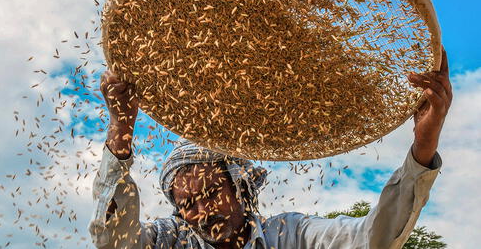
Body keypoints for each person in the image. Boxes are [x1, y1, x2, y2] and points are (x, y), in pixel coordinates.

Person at [88, 48, 453, 249]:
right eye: (186, 204)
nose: (201, 211)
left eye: (211, 192)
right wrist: (121, 127)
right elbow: (112, 241)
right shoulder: (170, 241)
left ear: (240, 186)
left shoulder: (288, 237)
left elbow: (370, 239)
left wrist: (423, 145)